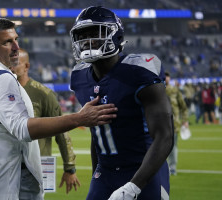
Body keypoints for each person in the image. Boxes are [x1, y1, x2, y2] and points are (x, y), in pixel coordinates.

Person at [0, 17, 117, 200]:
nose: (16, 47)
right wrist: (79, 118)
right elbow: (22, 128)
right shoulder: (2, 78)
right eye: (7, 42)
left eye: (16, 39)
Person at [69, 6, 174, 200]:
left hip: (144, 169)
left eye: (95, 33)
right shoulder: (79, 76)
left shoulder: (139, 71)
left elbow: (165, 135)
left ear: (115, 35)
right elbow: (97, 133)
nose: (87, 41)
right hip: (105, 173)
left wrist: (134, 186)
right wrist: (95, 174)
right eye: (82, 35)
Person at [10, 48, 80, 194]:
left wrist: (70, 168)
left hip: (34, 169)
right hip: (6, 168)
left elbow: (62, 133)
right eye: (7, 63)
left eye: (14, 63)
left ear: (26, 66)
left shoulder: (43, 94)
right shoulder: (1, 93)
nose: (10, 67)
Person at [165, 72, 189, 175]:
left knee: (173, 146)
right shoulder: (156, 90)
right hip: (158, 124)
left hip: (174, 124)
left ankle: (173, 167)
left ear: (169, 78)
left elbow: (183, 107)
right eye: (164, 76)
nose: (166, 78)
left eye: (167, 76)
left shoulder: (175, 91)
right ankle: (162, 169)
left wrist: (185, 120)